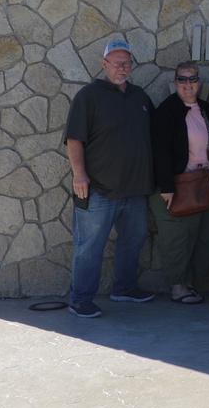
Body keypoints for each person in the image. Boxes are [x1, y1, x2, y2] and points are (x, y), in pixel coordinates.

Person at [63, 38, 156, 318]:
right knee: (89, 246)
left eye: (127, 63)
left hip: (135, 190)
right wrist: (79, 175)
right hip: (98, 189)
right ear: (104, 64)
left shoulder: (140, 97)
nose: (122, 68)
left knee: (134, 240)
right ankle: (79, 299)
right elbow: (74, 138)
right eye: (117, 63)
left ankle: (124, 288)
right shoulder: (88, 96)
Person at [150, 63, 209, 305]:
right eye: (182, 79)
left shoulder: (204, 108)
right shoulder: (167, 111)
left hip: (205, 185)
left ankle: (189, 281)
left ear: (198, 81)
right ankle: (178, 287)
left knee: (207, 233)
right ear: (175, 82)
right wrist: (167, 187)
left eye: (192, 79)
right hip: (178, 186)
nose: (188, 83)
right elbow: (159, 150)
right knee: (177, 237)